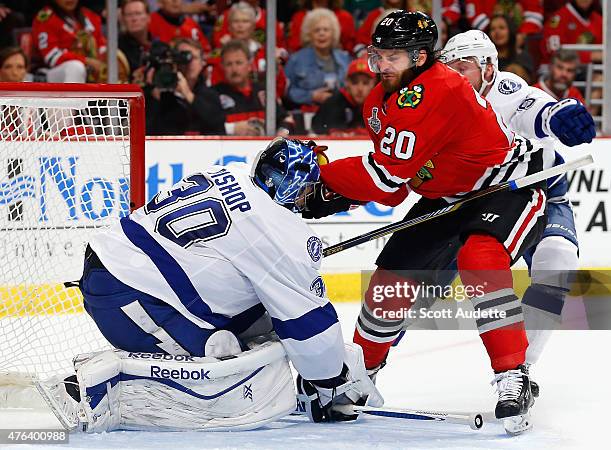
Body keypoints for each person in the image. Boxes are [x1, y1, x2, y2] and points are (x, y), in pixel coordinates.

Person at [300, 10, 552, 434]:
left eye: (390, 58)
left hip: (505, 187)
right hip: (445, 196)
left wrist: (321, 179)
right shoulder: (378, 101)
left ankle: (513, 377)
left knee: (481, 260)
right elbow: (396, 187)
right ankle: (360, 377)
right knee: (389, 286)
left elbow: (385, 174)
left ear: (419, 57)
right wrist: (335, 198)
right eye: (375, 56)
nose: (379, 67)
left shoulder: (441, 89)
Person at [35, 138, 381, 431]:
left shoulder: (223, 174)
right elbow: (308, 324)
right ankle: (99, 387)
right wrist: (329, 382)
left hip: (116, 271)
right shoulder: (278, 233)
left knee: (263, 318)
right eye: (308, 189)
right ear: (294, 187)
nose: (310, 198)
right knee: (226, 369)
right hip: (130, 297)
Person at [441, 29, 594, 393]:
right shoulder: (443, 100)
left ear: (489, 68)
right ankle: (368, 363)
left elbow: (535, 110)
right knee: (418, 280)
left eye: (465, 67)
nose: (456, 75)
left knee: (557, 263)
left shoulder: (507, 90)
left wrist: (559, 117)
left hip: (539, 192)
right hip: (473, 204)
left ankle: (518, 371)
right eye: (450, 67)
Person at [144, 38, 225, 135]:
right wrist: (154, 97)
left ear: (202, 62)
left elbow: (216, 124)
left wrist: (188, 95)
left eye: (194, 58)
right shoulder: (161, 95)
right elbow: (148, 132)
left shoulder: (210, 95)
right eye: (184, 57)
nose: (189, 63)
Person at [213, 40, 294, 136]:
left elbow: (286, 120)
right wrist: (232, 129)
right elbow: (205, 128)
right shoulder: (213, 95)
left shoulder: (263, 92)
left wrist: (283, 132)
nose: (234, 69)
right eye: (229, 64)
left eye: (239, 63)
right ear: (222, 67)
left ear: (249, 65)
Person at [284, 7, 350, 109]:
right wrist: (311, 96)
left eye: (326, 30)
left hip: (340, 114)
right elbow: (286, 91)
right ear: (309, 35)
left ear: (333, 34)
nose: (321, 34)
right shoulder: (296, 60)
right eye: (317, 30)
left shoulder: (345, 59)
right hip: (307, 113)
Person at [32, 0, 107, 83]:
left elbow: (101, 44)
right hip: (51, 73)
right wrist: (86, 61)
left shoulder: (90, 16)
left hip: (89, 71)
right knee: (76, 67)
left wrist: (106, 57)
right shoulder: (45, 18)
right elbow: (52, 57)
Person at [311, 58, 376, 135]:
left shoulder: (377, 105)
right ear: (347, 83)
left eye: (365, 83)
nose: (360, 89)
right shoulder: (334, 103)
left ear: (373, 84)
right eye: (355, 83)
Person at [541, 0, 602, 67]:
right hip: (556, 69)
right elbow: (555, 52)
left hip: (592, 69)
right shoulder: (557, 19)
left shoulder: (599, 20)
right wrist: (590, 56)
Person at [287, 0, 355, 54]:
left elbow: (350, 50)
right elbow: (294, 49)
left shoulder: (345, 18)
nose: (321, 33)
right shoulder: (298, 17)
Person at [488, 14, 534, 83]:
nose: (497, 32)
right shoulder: (486, 59)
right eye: (493, 29)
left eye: (502, 28)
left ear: (510, 31)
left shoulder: (522, 56)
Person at [119, 0, 152, 81]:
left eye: (138, 13)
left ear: (148, 17)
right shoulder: (116, 48)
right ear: (123, 19)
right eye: (129, 15)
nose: (134, 19)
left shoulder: (158, 45)